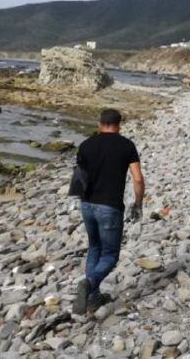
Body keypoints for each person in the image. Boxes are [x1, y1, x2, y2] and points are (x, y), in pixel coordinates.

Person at [73, 109, 145, 314]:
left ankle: (92, 299)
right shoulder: (126, 145)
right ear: (119, 125)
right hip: (110, 206)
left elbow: (79, 178)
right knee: (111, 254)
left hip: (87, 204)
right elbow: (138, 179)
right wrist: (138, 204)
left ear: (99, 123)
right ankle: (89, 283)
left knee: (94, 248)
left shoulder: (86, 145)